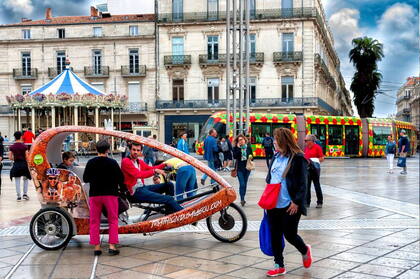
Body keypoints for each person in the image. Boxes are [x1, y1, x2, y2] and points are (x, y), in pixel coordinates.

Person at [265, 128, 312, 276]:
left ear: (284, 141)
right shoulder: (276, 156)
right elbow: (270, 178)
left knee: (290, 234)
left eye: (276, 139)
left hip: (290, 204)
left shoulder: (298, 158)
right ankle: (279, 264)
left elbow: (303, 183)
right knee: (275, 234)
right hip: (273, 203)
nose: (273, 142)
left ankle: (305, 250)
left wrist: (296, 202)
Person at [83, 139, 125, 256]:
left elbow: (86, 178)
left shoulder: (91, 162)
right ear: (108, 150)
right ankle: (112, 246)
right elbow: (120, 179)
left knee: (94, 221)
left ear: (96, 149)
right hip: (110, 195)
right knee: (113, 220)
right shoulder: (113, 163)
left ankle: (97, 247)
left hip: (95, 195)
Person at [121, 142, 183, 214]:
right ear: (130, 150)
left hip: (142, 188)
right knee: (169, 199)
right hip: (134, 193)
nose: (136, 152)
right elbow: (138, 174)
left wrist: (163, 165)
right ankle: (185, 215)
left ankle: (168, 211)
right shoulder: (126, 161)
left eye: (138, 150)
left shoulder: (139, 161)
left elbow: (150, 168)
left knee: (169, 185)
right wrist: (155, 171)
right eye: (134, 150)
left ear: (141, 151)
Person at [9, 131, 31, 201]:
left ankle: (18, 196)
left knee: (17, 180)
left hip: (16, 164)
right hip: (24, 164)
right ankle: (25, 194)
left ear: (14, 137)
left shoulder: (12, 147)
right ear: (21, 137)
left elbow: (10, 157)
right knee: (25, 179)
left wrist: (15, 158)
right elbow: (27, 157)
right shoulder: (24, 146)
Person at [304, 134, 324, 208]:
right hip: (307, 169)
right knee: (307, 186)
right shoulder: (306, 148)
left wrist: (313, 160)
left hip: (315, 169)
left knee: (317, 185)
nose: (305, 142)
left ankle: (320, 202)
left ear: (311, 141)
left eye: (306, 140)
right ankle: (307, 202)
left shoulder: (317, 147)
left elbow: (322, 158)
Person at [232, 134, 253, 207]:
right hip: (239, 169)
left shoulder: (248, 147)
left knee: (245, 184)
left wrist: (250, 157)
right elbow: (235, 156)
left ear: (244, 140)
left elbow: (252, 156)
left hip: (247, 168)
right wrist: (238, 148)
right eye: (239, 140)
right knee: (242, 184)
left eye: (242, 139)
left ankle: (243, 198)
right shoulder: (236, 148)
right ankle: (242, 199)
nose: (241, 141)